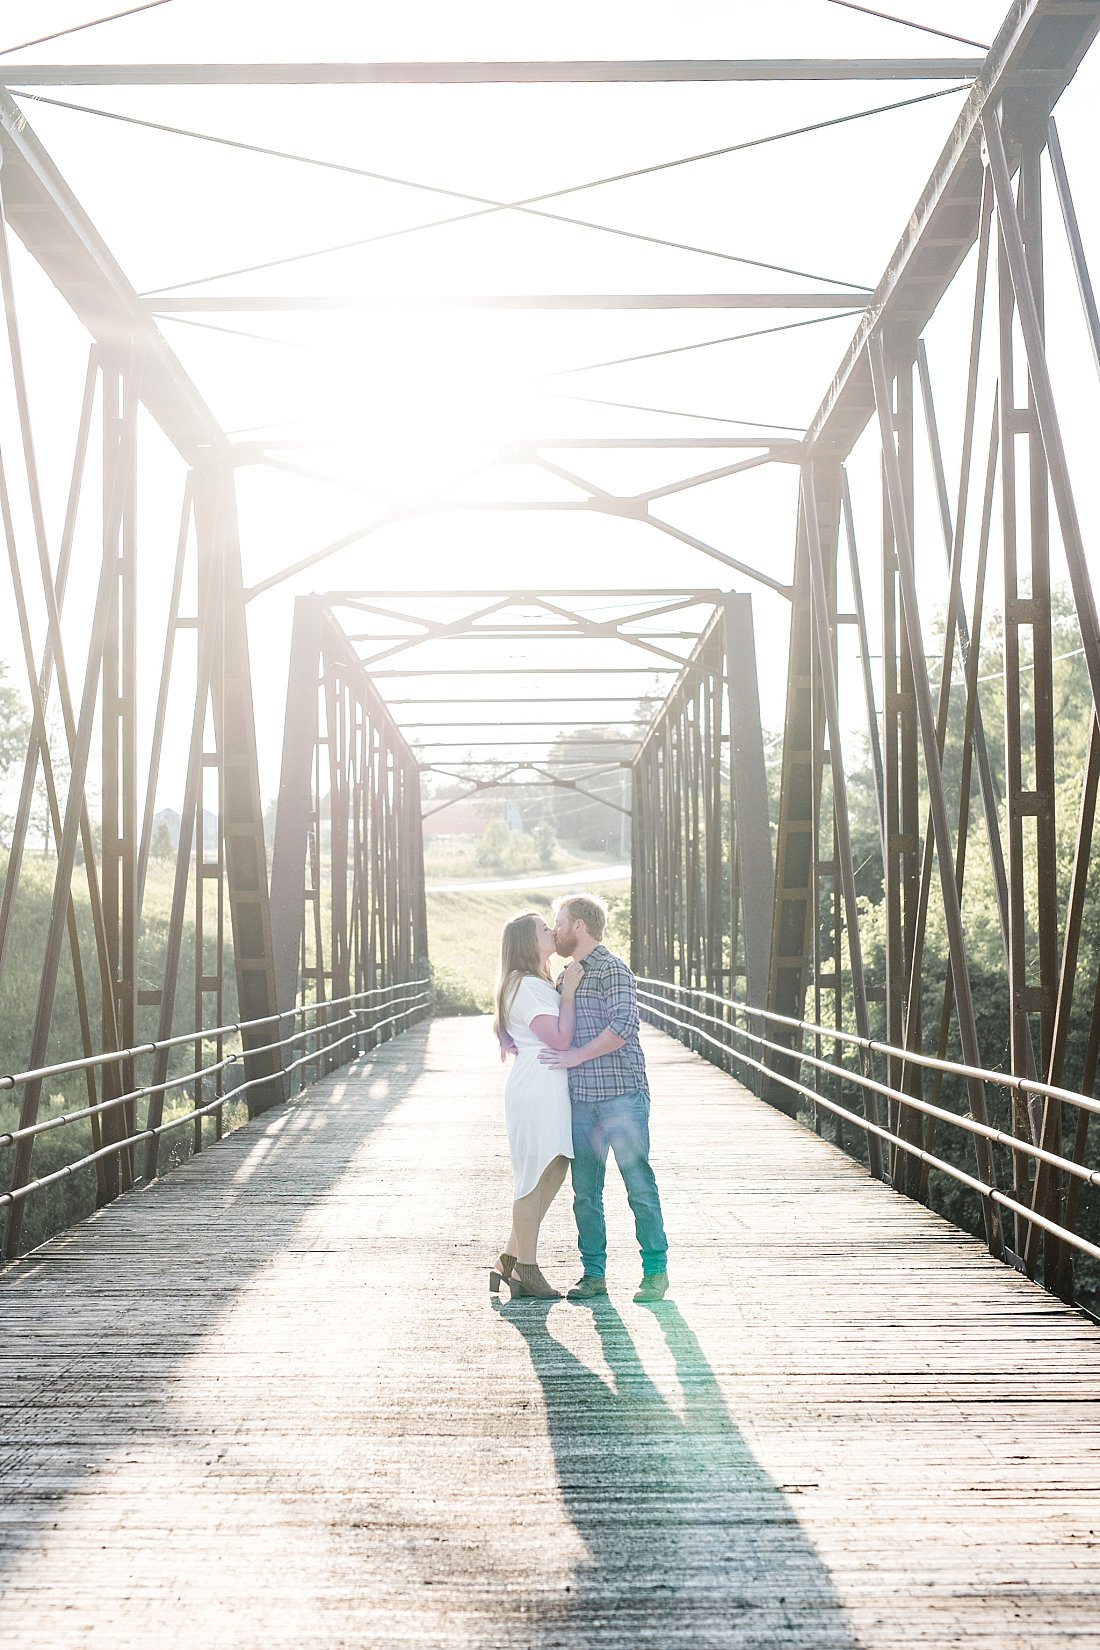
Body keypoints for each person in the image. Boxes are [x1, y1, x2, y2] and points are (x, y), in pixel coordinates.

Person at [539, 894, 670, 1303]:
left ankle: (655, 1272)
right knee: (585, 1192)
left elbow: (624, 1026)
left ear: (578, 925)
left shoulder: (613, 969)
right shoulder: (566, 977)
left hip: (621, 1096)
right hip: (581, 1100)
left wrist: (574, 1056)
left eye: (559, 922)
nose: (555, 929)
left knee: (638, 1185)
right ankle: (593, 1274)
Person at [491, 911, 582, 1300]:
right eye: (544, 928)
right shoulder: (526, 986)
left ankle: (509, 1259)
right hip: (538, 1085)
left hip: (547, 1085)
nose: (552, 931)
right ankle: (526, 1270)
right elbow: (559, 1039)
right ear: (529, 943)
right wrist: (569, 993)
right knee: (533, 1176)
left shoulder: (532, 981)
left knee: (555, 1168)